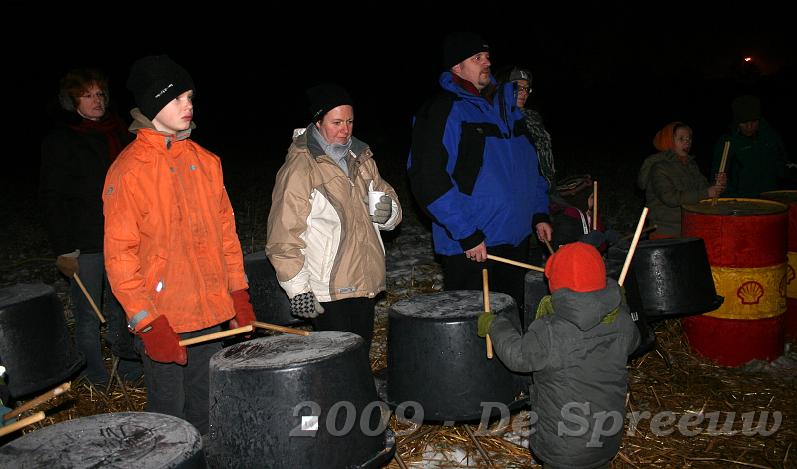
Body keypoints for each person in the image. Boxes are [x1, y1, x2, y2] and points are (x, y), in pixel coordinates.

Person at [103, 55, 256, 434]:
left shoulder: (206, 162)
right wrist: (147, 323)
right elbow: (120, 258)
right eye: (177, 98)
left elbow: (226, 237)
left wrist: (237, 294)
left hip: (210, 315)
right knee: (169, 419)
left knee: (207, 409)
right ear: (153, 104)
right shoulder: (129, 171)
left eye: (190, 97)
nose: (188, 105)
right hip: (165, 319)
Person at [408, 32, 551, 309]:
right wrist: (466, 233)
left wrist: (539, 212)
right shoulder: (443, 110)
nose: (487, 62)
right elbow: (428, 178)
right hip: (474, 246)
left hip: (517, 241)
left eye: (487, 56)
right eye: (477, 58)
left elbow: (530, 170)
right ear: (457, 67)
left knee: (511, 322)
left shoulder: (508, 111)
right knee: (475, 327)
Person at [478, 242, 640, 468]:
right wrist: (619, 305)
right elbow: (633, 342)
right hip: (607, 435)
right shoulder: (621, 320)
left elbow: (519, 357)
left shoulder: (550, 330)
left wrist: (496, 325)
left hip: (563, 444)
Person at [266, 83, 401, 354]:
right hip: (327, 287)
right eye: (336, 122)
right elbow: (283, 236)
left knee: (360, 355)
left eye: (349, 122)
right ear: (318, 122)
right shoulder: (301, 168)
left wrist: (390, 213)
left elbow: (387, 197)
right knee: (337, 363)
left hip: (363, 278)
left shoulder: (361, 158)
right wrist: (298, 290)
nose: (345, 130)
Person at [39, 67, 141, 386]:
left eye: (99, 94)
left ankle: (130, 368)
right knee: (88, 314)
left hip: (123, 236)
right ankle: (94, 376)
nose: (96, 100)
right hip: (86, 243)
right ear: (72, 101)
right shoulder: (62, 140)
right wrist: (64, 249)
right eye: (86, 95)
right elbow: (53, 198)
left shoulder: (120, 133)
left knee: (124, 307)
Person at [638, 122, 725, 239]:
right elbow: (671, 198)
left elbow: (703, 189)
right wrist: (707, 193)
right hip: (664, 231)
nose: (687, 142)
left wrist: (718, 185)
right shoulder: (659, 167)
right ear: (669, 141)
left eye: (689, 139)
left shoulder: (690, 165)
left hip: (689, 225)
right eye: (681, 139)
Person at [711, 95, 794, 198]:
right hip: (740, 201)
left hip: (769, 198)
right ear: (737, 122)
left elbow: (783, 166)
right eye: (744, 122)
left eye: (754, 122)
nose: (749, 127)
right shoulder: (727, 142)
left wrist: (790, 171)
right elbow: (717, 178)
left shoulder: (770, 137)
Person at [549, 174, 617, 252]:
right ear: (581, 200)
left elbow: (598, 243)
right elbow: (561, 250)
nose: (595, 200)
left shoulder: (591, 214)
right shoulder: (565, 220)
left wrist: (606, 239)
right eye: (592, 197)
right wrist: (583, 243)